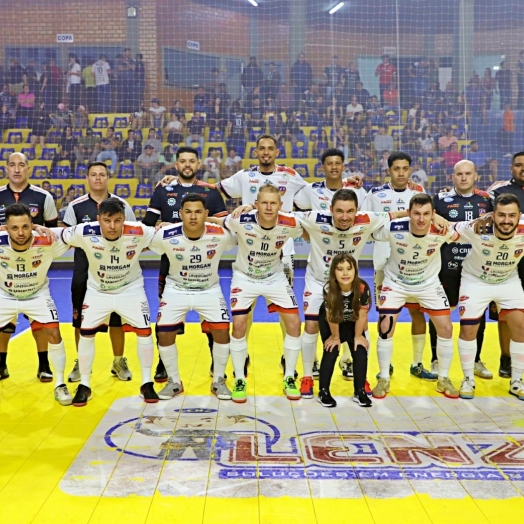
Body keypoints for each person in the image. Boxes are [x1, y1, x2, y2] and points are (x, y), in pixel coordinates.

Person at [296, 188, 409, 398]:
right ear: (330, 210)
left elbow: (397, 214)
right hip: (318, 280)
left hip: (348, 282)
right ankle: (307, 376)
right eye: (339, 211)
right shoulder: (314, 218)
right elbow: (281, 214)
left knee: (359, 326)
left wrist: (435, 216)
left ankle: (360, 376)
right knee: (311, 326)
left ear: (357, 211)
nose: (345, 216)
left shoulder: (366, 219)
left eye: (350, 211)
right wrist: (248, 208)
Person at [61, 198, 158, 407]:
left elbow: (165, 236)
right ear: (98, 220)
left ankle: (147, 382)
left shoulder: (139, 231)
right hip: (98, 292)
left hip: (130, 289)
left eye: (117, 220)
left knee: (145, 332)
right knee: (86, 333)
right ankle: (84, 385)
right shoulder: (84, 231)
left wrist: (168, 226)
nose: (112, 226)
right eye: (107, 221)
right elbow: (55, 234)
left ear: (125, 219)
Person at [211, 185, 304, 402]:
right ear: (256, 204)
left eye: (273, 203)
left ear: (281, 205)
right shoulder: (241, 220)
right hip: (245, 278)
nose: (269, 207)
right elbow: (215, 221)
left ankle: (290, 377)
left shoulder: (290, 222)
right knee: (240, 324)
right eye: (264, 203)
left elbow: (312, 228)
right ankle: (240, 378)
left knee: (294, 323)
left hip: (275, 277)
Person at [142, 146, 227, 381]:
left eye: (191, 161)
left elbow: (224, 226)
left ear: (198, 165)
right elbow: (148, 224)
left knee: (211, 319)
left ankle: (215, 363)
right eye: (182, 161)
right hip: (171, 263)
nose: (187, 165)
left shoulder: (210, 192)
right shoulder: (163, 190)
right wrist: (158, 227)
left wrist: (197, 220)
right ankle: (162, 365)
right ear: (176, 165)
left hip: (204, 263)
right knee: (167, 319)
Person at [147, 193, 237, 400]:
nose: (193, 216)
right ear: (181, 214)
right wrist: (158, 227)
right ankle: (174, 381)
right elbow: (143, 240)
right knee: (164, 333)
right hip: (176, 289)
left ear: (206, 214)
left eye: (198, 212)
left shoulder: (220, 234)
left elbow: (240, 234)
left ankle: (219, 381)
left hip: (209, 289)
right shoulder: (166, 235)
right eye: (188, 212)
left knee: (222, 331)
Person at [371, 193, 459, 399]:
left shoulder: (442, 229)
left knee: (446, 327)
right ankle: (384, 378)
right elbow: (371, 229)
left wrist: (444, 220)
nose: (421, 219)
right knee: (385, 326)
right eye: (416, 214)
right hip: (395, 282)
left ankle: (444, 378)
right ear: (409, 213)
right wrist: (401, 214)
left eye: (426, 214)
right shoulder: (395, 227)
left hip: (428, 284)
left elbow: (465, 232)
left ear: (433, 214)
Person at [360, 152, 433, 380]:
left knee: (418, 314)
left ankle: (417, 363)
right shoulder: (376, 194)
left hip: (414, 264)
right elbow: (367, 223)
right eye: (396, 168)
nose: (401, 172)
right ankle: (386, 365)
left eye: (405, 168)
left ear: (410, 169)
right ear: (388, 170)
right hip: (384, 265)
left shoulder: (419, 193)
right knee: (386, 315)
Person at [63, 162, 136, 383]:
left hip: (115, 271)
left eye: (102, 174)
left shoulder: (122, 205)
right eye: (93, 175)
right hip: (83, 271)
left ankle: (118, 361)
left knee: (116, 319)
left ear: (108, 178)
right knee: (80, 321)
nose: (97, 178)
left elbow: (133, 234)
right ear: (87, 178)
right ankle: (80, 362)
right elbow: (67, 238)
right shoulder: (75, 207)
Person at [454, 194, 524, 400]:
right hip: (475, 280)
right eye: (501, 215)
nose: (506, 220)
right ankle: (467, 379)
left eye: (512, 215)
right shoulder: (477, 227)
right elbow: (448, 228)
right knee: (468, 328)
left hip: (507, 280)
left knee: (520, 326)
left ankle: (517, 381)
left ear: (519, 216)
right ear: (493, 215)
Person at [0, 203, 72, 404]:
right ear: (6, 228)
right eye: (14, 228)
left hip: (37, 295)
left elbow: (76, 233)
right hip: (5, 296)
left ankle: (59, 385)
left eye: (25, 226)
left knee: (54, 332)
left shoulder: (46, 240)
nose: (21, 233)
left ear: (32, 225)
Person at [431, 160, 493, 379]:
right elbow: (423, 214)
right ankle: (436, 359)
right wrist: (432, 214)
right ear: (452, 177)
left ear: (475, 176)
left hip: (476, 267)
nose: (464, 177)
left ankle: (475, 360)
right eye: (459, 174)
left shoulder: (487, 200)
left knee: (477, 314)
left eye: (468, 173)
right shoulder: (439, 199)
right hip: (447, 265)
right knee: (439, 313)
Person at [0, 153, 58, 382]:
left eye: (21, 165)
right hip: (4, 267)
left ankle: (44, 365)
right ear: (6, 168)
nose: (17, 169)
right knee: (5, 323)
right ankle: (1, 365)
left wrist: (43, 230)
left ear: (29, 169)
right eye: (12, 165)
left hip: (34, 266)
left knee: (39, 319)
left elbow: (56, 230)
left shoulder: (43, 197)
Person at [317, 254, 371, 408]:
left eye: (349, 269)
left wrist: (359, 335)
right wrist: (335, 337)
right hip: (332, 322)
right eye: (340, 269)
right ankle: (323, 391)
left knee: (360, 349)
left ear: (355, 270)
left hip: (352, 321)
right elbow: (331, 316)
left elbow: (362, 314)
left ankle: (360, 391)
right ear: (334, 272)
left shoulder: (362, 287)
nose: (345, 273)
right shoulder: (329, 288)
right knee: (331, 350)